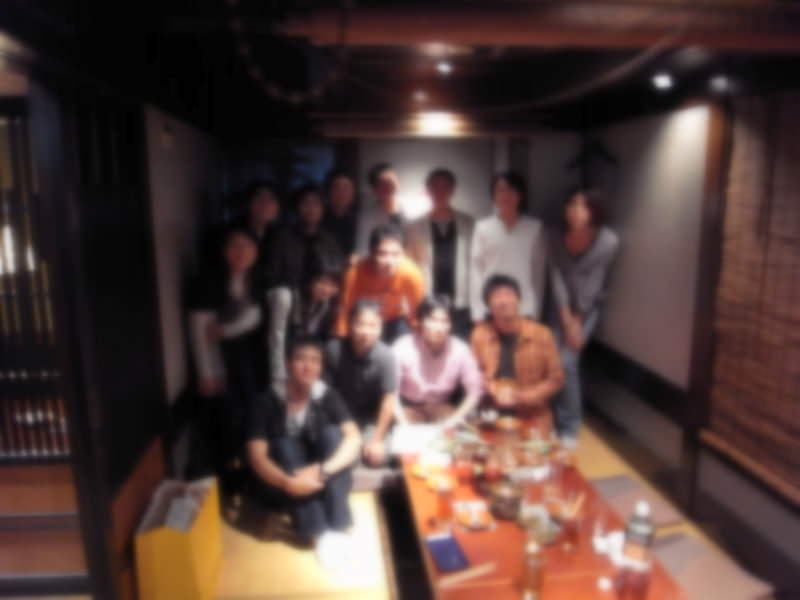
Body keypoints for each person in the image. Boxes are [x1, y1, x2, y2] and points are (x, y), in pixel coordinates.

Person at [247, 337, 361, 567]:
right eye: (301, 359)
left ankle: (338, 527)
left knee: (332, 435)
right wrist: (287, 481)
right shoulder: (267, 400)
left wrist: (324, 469)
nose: (308, 366)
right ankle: (318, 532)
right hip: (287, 475)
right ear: (288, 364)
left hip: (320, 472)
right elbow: (256, 455)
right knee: (284, 445)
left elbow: (354, 437)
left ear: (321, 367)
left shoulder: (326, 394)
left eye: (315, 360)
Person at [188, 227, 265, 495]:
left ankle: (252, 473)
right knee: (226, 418)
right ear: (223, 250)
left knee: (251, 416)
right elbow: (199, 329)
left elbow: (256, 317)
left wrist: (227, 330)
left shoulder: (259, 279)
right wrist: (206, 372)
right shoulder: (208, 281)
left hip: (251, 360)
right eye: (234, 245)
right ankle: (227, 478)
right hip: (220, 360)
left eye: (248, 246)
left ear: (256, 252)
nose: (241, 252)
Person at [548, 188, 619, 446]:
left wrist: (576, 322)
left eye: (584, 205)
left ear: (594, 210)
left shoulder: (607, 241)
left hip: (587, 310)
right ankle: (554, 421)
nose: (576, 211)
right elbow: (555, 277)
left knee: (567, 362)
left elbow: (595, 284)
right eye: (572, 204)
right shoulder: (554, 236)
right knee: (552, 362)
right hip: (558, 307)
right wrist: (565, 317)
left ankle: (570, 427)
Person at [265, 185, 344, 381]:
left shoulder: (328, 239)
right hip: (291, 298)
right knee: (284, 297)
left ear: (322, 208)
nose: (311, 208)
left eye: (316, 203)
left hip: (320, 299)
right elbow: (272, 274)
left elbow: (337, 272)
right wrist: (305, 288)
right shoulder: (282, 236)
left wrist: (329, 286)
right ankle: (279, 373)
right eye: (305, 203)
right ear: (297, 207)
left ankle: (319, 369)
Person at [470, 274, 563, 431]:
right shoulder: (480, 334)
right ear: (489, 305)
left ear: (518, 300)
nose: (504, 301)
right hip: (491, 412)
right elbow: (473, 374)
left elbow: (556, 379)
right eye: (497, 296)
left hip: (532, 414)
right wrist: (491, 387)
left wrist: (524, 397)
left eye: (509, 294)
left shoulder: (542, 334)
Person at [325, 300, 398, 488]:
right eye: (361, 324)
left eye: (372, 325)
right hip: (340, 419)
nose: (366, 331)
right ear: (350, 325)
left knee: (378, 457)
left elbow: (388, 401)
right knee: (345, 455)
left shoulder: (386, 357)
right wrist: (347, 428)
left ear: (380, 328)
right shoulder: (333, 350)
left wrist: (376, 440)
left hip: (370, 420)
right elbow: (326, 395)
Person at [404, 168, 474, 339]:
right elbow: (408, 267)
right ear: (428, 190)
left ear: (452, 191)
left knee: (460, 346)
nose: (440, 192)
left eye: (445, 187)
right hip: (428, 300)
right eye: (435, 187)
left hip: (461, 303)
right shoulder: (414, 227)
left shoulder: (469, 224)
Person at [393, 296, 483, 426]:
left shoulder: (460, 350)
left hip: (443, 408)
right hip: (409, 408)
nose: (439, 327)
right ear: (421, 321)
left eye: (445, 321)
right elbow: (390, 392)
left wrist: (455, 420)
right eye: (433, 320)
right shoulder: (403, 347)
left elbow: (475, 391)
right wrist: (403, 423)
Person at [470, 171, 547, 322]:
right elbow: (476, 271)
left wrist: (535, 310)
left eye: (511, 190)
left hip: (524, 307)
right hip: (491, 306)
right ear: (493, 195)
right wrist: (477, 311)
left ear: (520, 195)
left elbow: (538, 273)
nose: (505, 195)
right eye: (500, 190)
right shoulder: (482, 227)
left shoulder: (534, 228)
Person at [335, 224, 425, 343]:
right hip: (363, 322)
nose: (389, 261)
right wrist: (342, 340)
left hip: (394, 321)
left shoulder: (412, 273)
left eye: (396, 254)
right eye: (383, 254)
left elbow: (417, 314)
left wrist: (420, 340)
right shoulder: (354, 274)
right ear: (371, 253)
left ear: (403, 253)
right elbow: (344, 311)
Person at [355, 163, 404, 255]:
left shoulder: (411, 211)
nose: (388, 186)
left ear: (397, 182)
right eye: (382, 184)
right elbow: (362, 250)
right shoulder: (367, 217)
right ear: (375, 189)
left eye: (390, 181)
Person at [291, 262, 342, 344]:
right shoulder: (294, 298)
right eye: (322, 282)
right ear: (310, 280)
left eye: (332, 285)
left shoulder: (328, 305)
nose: (326, 290)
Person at [322, 169, 359, 260]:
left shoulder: (360, 220)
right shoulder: (318, 219)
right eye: (336, 188)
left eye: (346, 188)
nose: (341, 193)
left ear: (353, 192)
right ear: (328, 191)